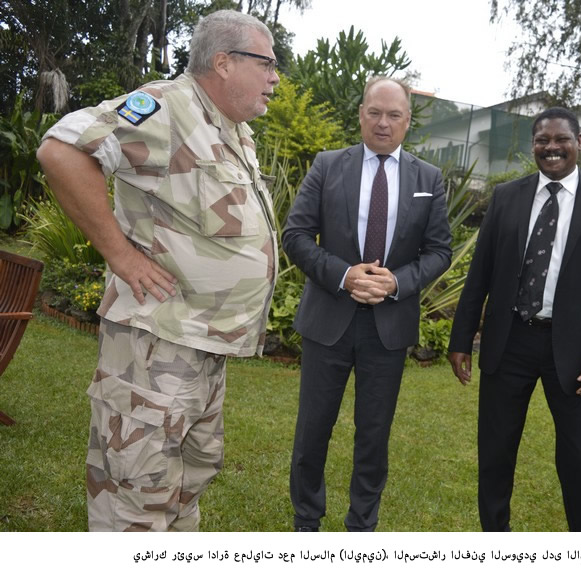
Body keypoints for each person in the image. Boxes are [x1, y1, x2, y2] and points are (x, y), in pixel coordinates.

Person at [36, 10, 281, 532]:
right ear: (224, 62)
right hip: (155, 348)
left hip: (201, 347)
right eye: (266, 64)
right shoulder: (167, 108)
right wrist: (120, 255)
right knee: (137, 497)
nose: (274, 77)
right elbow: (62, 151)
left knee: (186, 484)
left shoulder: (234, 131)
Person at [447, 107, 581, 532]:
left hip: (574, 352)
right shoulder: (506, 197)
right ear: (532, 146)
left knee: (578, 459)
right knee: (495, 453)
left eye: (561, 139)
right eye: (542, 141)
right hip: (508, 341)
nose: (552, 148)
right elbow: (480, 274)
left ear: (579, 143)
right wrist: (461, 339)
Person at [283, 77, 452, 532]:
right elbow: (296, 235)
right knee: (312, 430)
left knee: (374, 436)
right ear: (360, 114)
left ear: (408, 121)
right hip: (328, 321)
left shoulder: (428, 178)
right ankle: (306, 522)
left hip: (388, 328)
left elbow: (440, 251)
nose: (383, 123)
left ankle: (361, 527)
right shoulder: (327, 165)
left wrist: (396, 282)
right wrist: (344, 275)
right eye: (375, 112)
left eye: (394, 115)